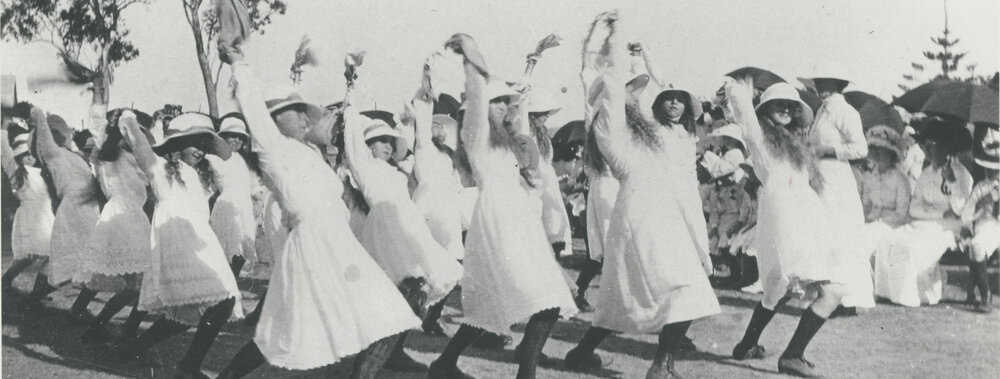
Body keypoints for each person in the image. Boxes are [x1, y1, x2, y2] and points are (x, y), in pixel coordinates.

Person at [214, 44, 420, 378]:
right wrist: (238, 64)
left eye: (301, 109)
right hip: (314, 246)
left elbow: (342, 123)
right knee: (384, 317)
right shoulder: (272, 148)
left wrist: (351, 81)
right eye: (292, 111)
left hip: (335, 243)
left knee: (296, 327)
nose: (302, 116)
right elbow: (251, 103)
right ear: (273, 119)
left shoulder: (308, 151)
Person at [563, 13, 718, 378]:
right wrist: (613, 42)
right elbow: (612, 91)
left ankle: (604, 356)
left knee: (641, 295)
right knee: (669, 289)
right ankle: (654, 364)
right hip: (638, 218)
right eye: (630, 89)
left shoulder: (645, 131)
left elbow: (660, 91)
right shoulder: (608, 127)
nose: (635, 94)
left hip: (659, 215)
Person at [428, 33, 577, 379]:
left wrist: (533, 60)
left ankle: (444, 364)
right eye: (497, 103)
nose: (503, 108)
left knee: (493, 308)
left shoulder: (510, 141)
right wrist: (470, 57)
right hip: (498, 224)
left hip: (520, 223)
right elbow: (479, 96)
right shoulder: (475, 138)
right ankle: (526, 374)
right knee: (544, 298)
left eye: (504, 104)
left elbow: (520, 100)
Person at [725, 79, 854, 377]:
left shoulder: (795, 143)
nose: (784, 109)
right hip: (786, 220)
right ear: (764, 110)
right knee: (832, 291)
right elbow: (744, 114)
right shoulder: (759, 138)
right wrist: (738, 89)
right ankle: (792, 355)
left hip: (804, 218)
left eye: (789, 105)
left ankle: (746, 344)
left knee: (777, 290)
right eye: (777, 104)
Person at [343, 62, 463, 372]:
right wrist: (351, 87)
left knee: (414, 297)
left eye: (388, 142)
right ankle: (367, 366)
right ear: (367, 146)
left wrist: (425, 85)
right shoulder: (364, 169)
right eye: (379, 141)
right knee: (399, 298)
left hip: (408, 229)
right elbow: (352, 130)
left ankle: (384, 357)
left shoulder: (399, 170)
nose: (385, 146)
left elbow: (415, 129)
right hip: (387, 233)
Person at [115, 111, 241, 377]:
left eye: (203, 145)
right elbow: (136, 140)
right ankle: (189, 366)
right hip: (177, 242)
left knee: (191, 311)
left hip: (201, 242)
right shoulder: (159, 168)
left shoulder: (200, 177)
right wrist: (127, 117)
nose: (200, 151)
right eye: (193, 143)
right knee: (220, 300)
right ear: (177, 145)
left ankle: (135, 348)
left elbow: (230, 169)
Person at [872, 120, 973, 307]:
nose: (928, 151)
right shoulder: (926, 173)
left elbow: (960, 209)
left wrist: (951, 181)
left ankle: (910, 296)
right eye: (925, 146)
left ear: (945, 148)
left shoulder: (961, 174)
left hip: (946, 228)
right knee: (888, 242)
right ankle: (887, 292)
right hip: (922, 222)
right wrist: (938, 211)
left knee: (911, 247)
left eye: (933, 146)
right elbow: (913, 207)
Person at [77, 110, 155, 346]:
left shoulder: (138, 160)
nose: (133, 139)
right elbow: (97, 122)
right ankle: (106, 328)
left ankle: (105, 327)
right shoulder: (109, 156)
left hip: (135, 218)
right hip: (121, 217)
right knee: (139, 283)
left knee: (141, 283)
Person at [19, 104, 101, 321]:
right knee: (69, 259)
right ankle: (35, 300)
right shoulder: (51, 154)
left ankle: (74, 306)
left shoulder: (74, 156)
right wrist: (36, 115)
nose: (61, 135)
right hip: (75, 209)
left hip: (91, 209)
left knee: (96, 260)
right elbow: (44, 134)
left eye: (61, 131)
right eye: (56, 132)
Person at [804, 73, 873, 310]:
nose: (821, 87)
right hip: (821, 179)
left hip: (837, 181)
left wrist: (828, 150)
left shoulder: (846, 111)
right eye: (818, 82)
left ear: (837, 84)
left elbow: (860, 148)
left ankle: (847, 298)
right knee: (825, 235)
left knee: (841, 235)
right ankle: (828, 296)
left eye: (826, 82)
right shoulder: (821, 112)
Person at [1, 133, 56, 292]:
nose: (31, 158)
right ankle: (5, 280)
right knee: (28, 255)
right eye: (26, 155)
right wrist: (3, 132)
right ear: (18, 158)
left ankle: (38, 290)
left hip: (46, 214)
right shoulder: (18, 173)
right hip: (31, 215)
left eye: (32, 155)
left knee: (52, 252)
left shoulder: (42, 172)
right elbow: (6, 156)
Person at [208, 113, 259, 280]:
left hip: (245, 209)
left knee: (243, 251)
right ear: (222, 137)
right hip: (227, 208)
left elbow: (253, 184)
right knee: (229, 249)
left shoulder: (244, 161)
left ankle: (232, 281)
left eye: (240, 138)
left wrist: (258, 199)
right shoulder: (214, 159)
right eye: (233, 137)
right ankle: (225, 284)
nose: (237, 141)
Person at [959, 146, 999, 312]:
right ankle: (985, 294)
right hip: (987, 225)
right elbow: (968, 209)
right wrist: (967, 225)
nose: (990, 171)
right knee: (976, 245)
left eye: (995, 168)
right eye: (987, 167)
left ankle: (971, 289)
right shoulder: (982, 187)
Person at [860, 125, 911, 227]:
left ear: (891, 153)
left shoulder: (901, 179)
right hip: (871, 223)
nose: (878, 155)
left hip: (893, 226)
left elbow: (901, 213)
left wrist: (880, 223)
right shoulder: (869, 177)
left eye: (882, 151)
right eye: (875, 151)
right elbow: (865, 206)